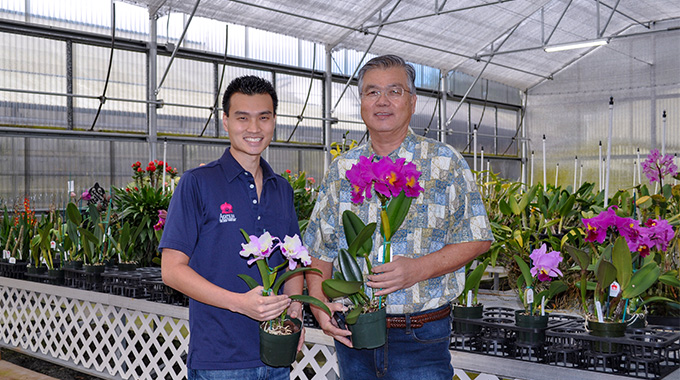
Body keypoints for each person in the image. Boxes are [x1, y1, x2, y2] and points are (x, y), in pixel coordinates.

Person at [303, 55, 494, 379]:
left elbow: (477, 237)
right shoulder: (342, 170)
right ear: (361, 102)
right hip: (354, 333)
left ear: (413, 101)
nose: (382, 101)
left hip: (420, 333)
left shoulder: (443, 163)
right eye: (372, 92)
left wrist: (417, 269)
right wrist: (319, 307)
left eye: (394, 91)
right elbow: (320, 250)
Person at [160, 75, 303, 380]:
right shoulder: (197, 184)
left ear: (274, 120)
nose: (254, 128)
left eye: (263, 118)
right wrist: (240, 304)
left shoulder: (282, 189)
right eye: (242, 118)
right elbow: (171, 270)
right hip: (219, 361)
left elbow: (294, 259)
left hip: (276, 357)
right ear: (225, 121)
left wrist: (296, 312)